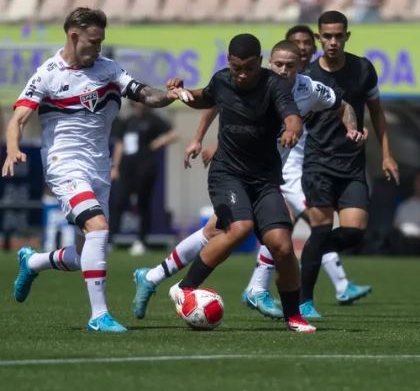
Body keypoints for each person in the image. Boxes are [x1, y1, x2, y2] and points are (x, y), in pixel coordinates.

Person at [131, 37, 367, 320]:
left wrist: (351, 128)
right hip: (245, 169)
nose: (283, 71)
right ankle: (264, 290)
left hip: (278, 168)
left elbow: (341, 106)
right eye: (278, 64)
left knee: (236, 230)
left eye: (290, 66)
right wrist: (198, 137)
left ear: (301, 65)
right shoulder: (246, 83)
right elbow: (215, 102)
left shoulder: (308, 89)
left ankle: (159, 277)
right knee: (248, 228)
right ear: (268, 63)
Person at [3, 7, 184, 333]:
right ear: (74, 36)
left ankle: (33, 261)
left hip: (99, 166)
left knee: (87, 252)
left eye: (101, 41)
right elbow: (17, 118)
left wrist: (169, 96)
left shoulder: (109, 69)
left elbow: (144, 93)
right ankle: (98, 316)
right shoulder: (48, 74)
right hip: (64, 164)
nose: (98, 48)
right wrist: (14, 148)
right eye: (93, 41)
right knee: (98, 229)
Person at [163, 34, 315, 332]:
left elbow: (292, 117)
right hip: (227, 175)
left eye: (248, 67)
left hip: (264, 180)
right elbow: (201, 97)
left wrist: (292, 130)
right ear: (228, 63)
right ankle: (185, 287)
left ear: (259, 62)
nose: (242, 74)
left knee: (282, 247)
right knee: (240, 227)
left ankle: (294, 316)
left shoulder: (275, 85)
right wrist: (180, 92)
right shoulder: (222, 81)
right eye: (236, 68)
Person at [298, 10, 399, 319]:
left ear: (346, 36)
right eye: (326, 36)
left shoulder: (363, 69)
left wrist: (386, 153)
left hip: (352, 164)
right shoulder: (308, 78)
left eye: (338, 36)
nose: (332, 42)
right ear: (319, 38)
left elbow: (377, 113)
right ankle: (304, 302)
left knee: (355, 232)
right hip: (318, 163)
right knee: (322, 228)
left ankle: (305, 256)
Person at [110, 102, 178, 255]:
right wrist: (115, 166)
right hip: (127, 166)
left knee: (143, 203)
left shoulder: (153, 120)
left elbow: (173, 133)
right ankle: (110, 239)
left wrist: (157, 143)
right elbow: (119, 145)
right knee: (120, 200)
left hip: (145, 165)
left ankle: (141, 240)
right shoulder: (127, 121)